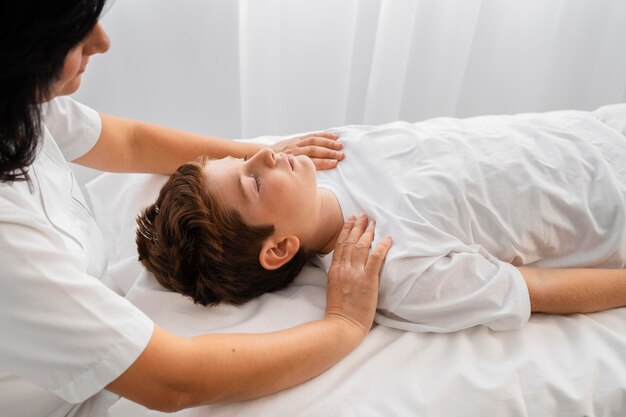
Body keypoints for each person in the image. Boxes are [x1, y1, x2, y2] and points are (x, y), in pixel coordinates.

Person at [0, 1, 393, 416]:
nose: (102, 41)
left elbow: (127, 141)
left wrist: (257, 154)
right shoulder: (10, 244)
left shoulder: (16, 101)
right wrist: (343, 327)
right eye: (72, 32)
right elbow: (175, 383)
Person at [137, 112, 626, 333]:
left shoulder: (322, 152)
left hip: (596, 132)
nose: (264, 153)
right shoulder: (391, 268)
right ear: (279, 249)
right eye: (252, 182)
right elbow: (533, 287)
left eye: (239, 159)